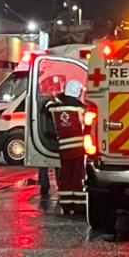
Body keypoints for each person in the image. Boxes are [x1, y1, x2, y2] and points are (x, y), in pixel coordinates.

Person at [45, 79, 87, 213]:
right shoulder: (80, 109)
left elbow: (46, 106)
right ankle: (79, 205)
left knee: (65, 176)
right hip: (79, 148)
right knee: (78, 176)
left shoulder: (54, 108)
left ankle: (66, 204)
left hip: (63, 147)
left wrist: (59, 96)